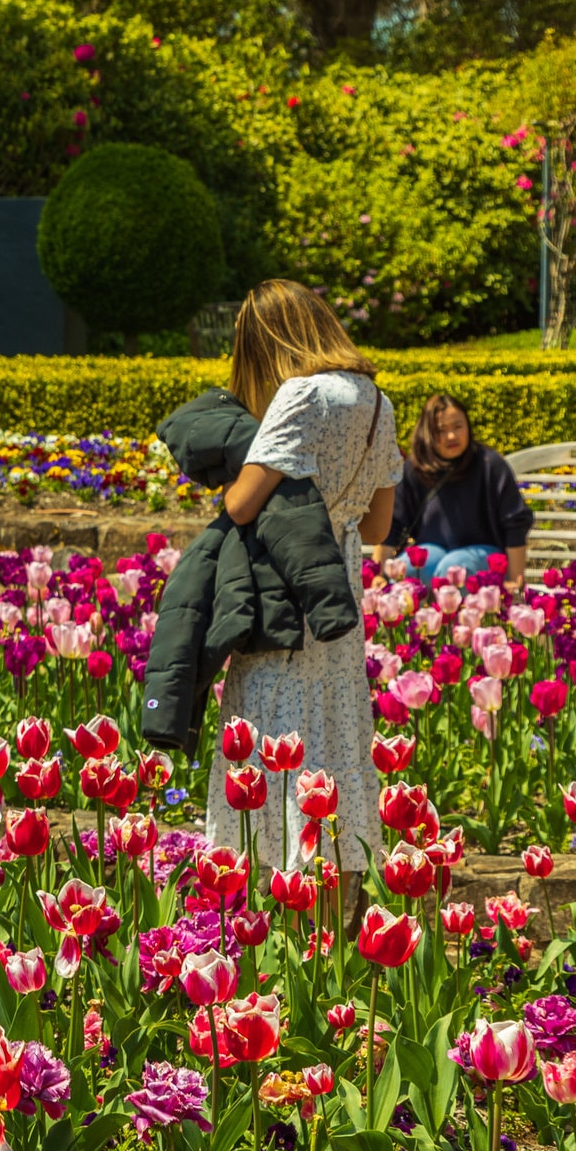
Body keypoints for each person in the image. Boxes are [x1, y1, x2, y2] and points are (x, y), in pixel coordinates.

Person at [205, 280, 401, 873]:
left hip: (283, 587)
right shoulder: (375, 400)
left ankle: (267, 894)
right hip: (338, 587)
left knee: (270, 726)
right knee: (331, 734)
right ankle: (330, 897)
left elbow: (242, 504)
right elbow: (377, 525)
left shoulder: (301, 394)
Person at [375, 393, 532, 589]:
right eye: (441, 430)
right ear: (428, 432)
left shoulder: (490, 464)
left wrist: (514, 579)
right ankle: (418, 620)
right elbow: (393, 523)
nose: (451, 436)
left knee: (454, 566)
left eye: (458, 426)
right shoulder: (415, 468)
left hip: (484, 554)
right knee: (408, 567)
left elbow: (515, 522)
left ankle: (460, 620)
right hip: (433, 550)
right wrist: (378, 574)